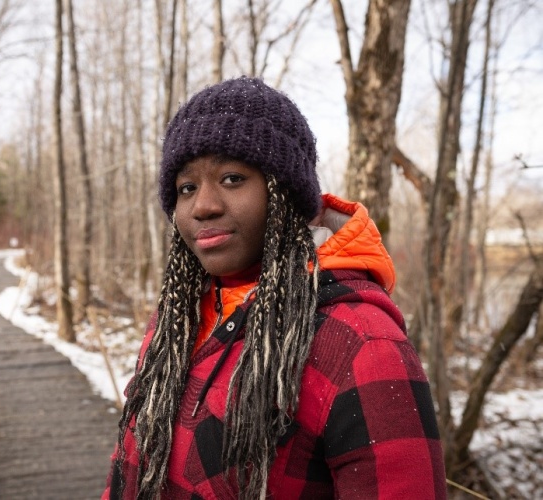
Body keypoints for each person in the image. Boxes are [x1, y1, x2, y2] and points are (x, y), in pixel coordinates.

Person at [103, 76, 446, 499]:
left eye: (232, 178)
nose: (203, 205)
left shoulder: (360, 343)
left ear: (284, 193)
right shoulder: (177, 321)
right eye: (187, 188)